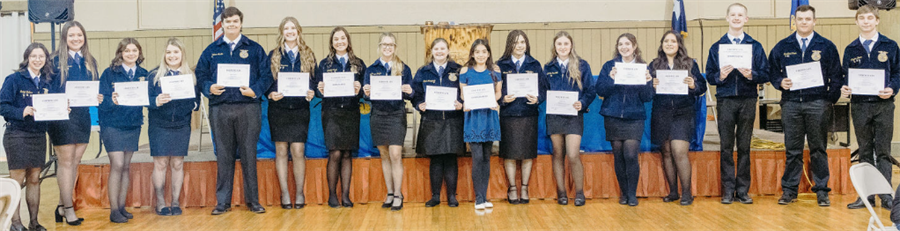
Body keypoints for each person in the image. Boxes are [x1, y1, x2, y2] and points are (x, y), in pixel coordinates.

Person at [195, 6, 271, 215]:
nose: (231, 25)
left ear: (241, 23)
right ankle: (222, 202)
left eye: (235, 21)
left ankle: (253, 201)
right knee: (224, 156)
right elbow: (200, 75)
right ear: (223, 24)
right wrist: (208, 87)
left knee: (249, 154)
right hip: (221, 109)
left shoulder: (255, 49)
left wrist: (254, 90)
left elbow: (266, 76)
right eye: (228, 22)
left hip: (248, 108)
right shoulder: (211, 50)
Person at [768, 4, 842, 207]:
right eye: (800, 19)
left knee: (819, 148)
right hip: (791, 104)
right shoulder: (783, 46)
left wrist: (829, 100)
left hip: (818, 104)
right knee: (793, 149)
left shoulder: (826, 46)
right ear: (795, 21)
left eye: (808, 19)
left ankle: (821, 191)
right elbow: (772, 71)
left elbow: (837, 77)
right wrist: (780, 82)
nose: (803, 22)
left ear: (814, 21)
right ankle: (790, 191)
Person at [705, 3, 770, 205]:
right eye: (732, 14)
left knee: (744, 146)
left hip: (748, 99)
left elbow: (766, 74)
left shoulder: (755, 46)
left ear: (746, 19)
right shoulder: (716, 47)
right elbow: (709, 76)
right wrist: (720, 75)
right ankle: (727, 190)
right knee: (726, 146)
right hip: (725, 100)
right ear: (727, 18)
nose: (736, 18)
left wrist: (753, 75)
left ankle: (742, 190)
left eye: (740, 15)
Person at [842, 5, 900, 210]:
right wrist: (846, 86)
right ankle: (865, 196)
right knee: (865, 152)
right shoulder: (851, 49)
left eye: (870, 18)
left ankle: (885, 195)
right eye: (862, 18)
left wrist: (892, 88)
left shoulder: (890, 45)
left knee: (883, 151)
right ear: (856, 22)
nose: (866, 21)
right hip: (859, 106)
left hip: (883, 105)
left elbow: (897, 73)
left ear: (877, 21)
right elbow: (845, 76)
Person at [0, 43, 59, 231]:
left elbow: (53, 106)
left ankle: (34, 222)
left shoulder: (48, 81)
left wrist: (61, 109)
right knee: (17, 180)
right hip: (17, 134)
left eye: (41, 56)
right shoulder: (14, 79)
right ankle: (15, 223)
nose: (37, 60)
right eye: (34, 56)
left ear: (46, 60)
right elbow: (2, 106)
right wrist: (21, 111)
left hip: (38, 135)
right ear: (27, 58)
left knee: (35, 178)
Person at [49, 21, 100, 226]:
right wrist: (61, 102)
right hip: (61, 117)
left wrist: (97, 98)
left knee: (75, 162)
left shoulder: (89, 60)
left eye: (79, 35)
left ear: (84, 37)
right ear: (64, 38)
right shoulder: (54, 61)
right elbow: (49, 89)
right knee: (66, 162)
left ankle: (61, 206)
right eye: (71, 35)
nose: (76, 39)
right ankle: (68, 208)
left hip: (82, 116)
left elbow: (92, 87)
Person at [595, 33, 654, 206]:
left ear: (634, 46)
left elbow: (647, 97)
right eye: (620, 44)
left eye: (627, 44)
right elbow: (600, 90)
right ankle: (623, 193)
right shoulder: (609, 66)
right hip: (613, 117)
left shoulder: (643, 67)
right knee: (619, 156)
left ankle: (632, 193)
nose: (624, 47)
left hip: (634, 117)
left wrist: (647, 83)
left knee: (630, 154)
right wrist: (611, 79)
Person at [649, 30, 707, 206]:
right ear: (662, 44)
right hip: (661, 112)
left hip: (683, 113)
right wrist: (651, 85)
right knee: (666, 152)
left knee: (679, 151)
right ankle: (673, 191)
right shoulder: (654, 65)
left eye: (673, 41)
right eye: (666, 41)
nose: (669, 44)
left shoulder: (690, 63)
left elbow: (702, 87)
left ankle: (687, 193)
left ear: (679, 44)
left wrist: (693, 85)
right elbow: (645, 91)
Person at [265, 16, 316, 210]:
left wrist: (312, 91)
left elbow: (314, 80)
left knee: (298, 150)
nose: (290, 31)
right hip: (278, 110)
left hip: (300, 110)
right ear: (282, 32)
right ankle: (285, 192)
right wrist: (270, 93)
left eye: (293, 28)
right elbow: (266, 81)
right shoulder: (273, 55)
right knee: (281, 150)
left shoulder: (308, 54)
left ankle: (300, 192)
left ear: (299, 31)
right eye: (286, 28)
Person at [314, 26, 365, 208]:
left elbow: (364, 91)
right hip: (332, 112)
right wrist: (319, 90)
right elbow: (317, 91)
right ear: (332, 42)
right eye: (336, 39)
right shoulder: (324, 64)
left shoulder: (358, 64)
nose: (340, 42)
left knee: (346, 154)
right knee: (334, 152)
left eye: (343, 38)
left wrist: (360, 91)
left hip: (351, 112)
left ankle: (345, 196)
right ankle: (332, 195)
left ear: (348, 40)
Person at [147, 37, 199, 216]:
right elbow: (147, 100)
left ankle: (175, 202)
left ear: (182, 54)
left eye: (176, 52)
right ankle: (161, 202)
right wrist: (156, 101)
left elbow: (196, 102)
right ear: (164, 54)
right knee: (160, 163)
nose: (172, 55)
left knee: (177, 163)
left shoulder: (191, 76)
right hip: (159, 125)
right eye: (168, 52)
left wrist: (190, 105)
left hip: (181, 125)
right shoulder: (154, 75)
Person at [99, 38, 148, 223]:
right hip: (112, 124)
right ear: (120, 53)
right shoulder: (109, 73)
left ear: (139, 53)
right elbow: (101, 100)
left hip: (133, 124)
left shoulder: (144, 74)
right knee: (117, 164)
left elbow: (148, 98)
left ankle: (121, 207)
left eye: (134, 50)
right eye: (126, 51)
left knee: (126, 166)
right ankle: (113, 210)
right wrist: (112, 99)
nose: (130, 54)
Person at [362, 32, 413, 211]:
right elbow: (365, 96)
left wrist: (409, 90)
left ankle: (399, 194)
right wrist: (366, 91)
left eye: (391, 45)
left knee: (395, 154)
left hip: (396, 115)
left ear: (395, 47)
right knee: (384, 155)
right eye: (384, 45)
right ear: (379, 47)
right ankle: (390, 192)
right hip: (378, 115)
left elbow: (411, 93)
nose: (387, 48)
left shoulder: (403, 68)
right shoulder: (371, 69)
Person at [544, 31, 594, 206]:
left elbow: (590, 91)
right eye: (559, 44)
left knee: (573, 154)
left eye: (566, 44)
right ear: (555, 47)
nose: (563, 47)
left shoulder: (582, 65)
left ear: (571, 46)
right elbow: (543, 91)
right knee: (558, 154)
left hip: (574, 116)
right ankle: (562, 193)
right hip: (555, 116)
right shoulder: (548, 67)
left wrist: (583, 102)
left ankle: (580, 193)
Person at [412, 38, 464, 208]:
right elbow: (416, 94)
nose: (440, 52)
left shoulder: (458, 70)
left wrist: (461, 104)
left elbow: (465, 93)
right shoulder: (423, 71)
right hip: (431, 121)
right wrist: (419, 104)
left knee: (450, 159)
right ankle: (435, 196)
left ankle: (451, 196)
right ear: (431, 52)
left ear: (448, 51)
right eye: (436, 49)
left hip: (452, 120)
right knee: (435, 159)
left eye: (443, 48)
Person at [496, 30, 546, 205]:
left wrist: (538, 99)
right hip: (508, 115)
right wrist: (502, 98)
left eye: (523, 42)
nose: (520, 46)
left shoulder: (535, 64)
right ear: (510, 44)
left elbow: (543, 89)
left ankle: (524, 187)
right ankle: (512, 188)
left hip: (528, 115)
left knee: (527, 154)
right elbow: (494, 89)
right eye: (516, 42)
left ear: (527, 44)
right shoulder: (499, 65)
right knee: (509, 154)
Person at [459, 39, 503, 210]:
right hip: (473, 117)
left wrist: (494, 100)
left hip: (489, 116)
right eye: (477, 52)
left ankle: (485, 197)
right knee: (477, 158)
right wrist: (466, 102)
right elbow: (463, 95)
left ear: (488, 53)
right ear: (472, 54)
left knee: (486, 158)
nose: (480, 55)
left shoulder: (495, 71)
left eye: (484, 51)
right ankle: (479, 198)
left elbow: (498, 92)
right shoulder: (465, 71)